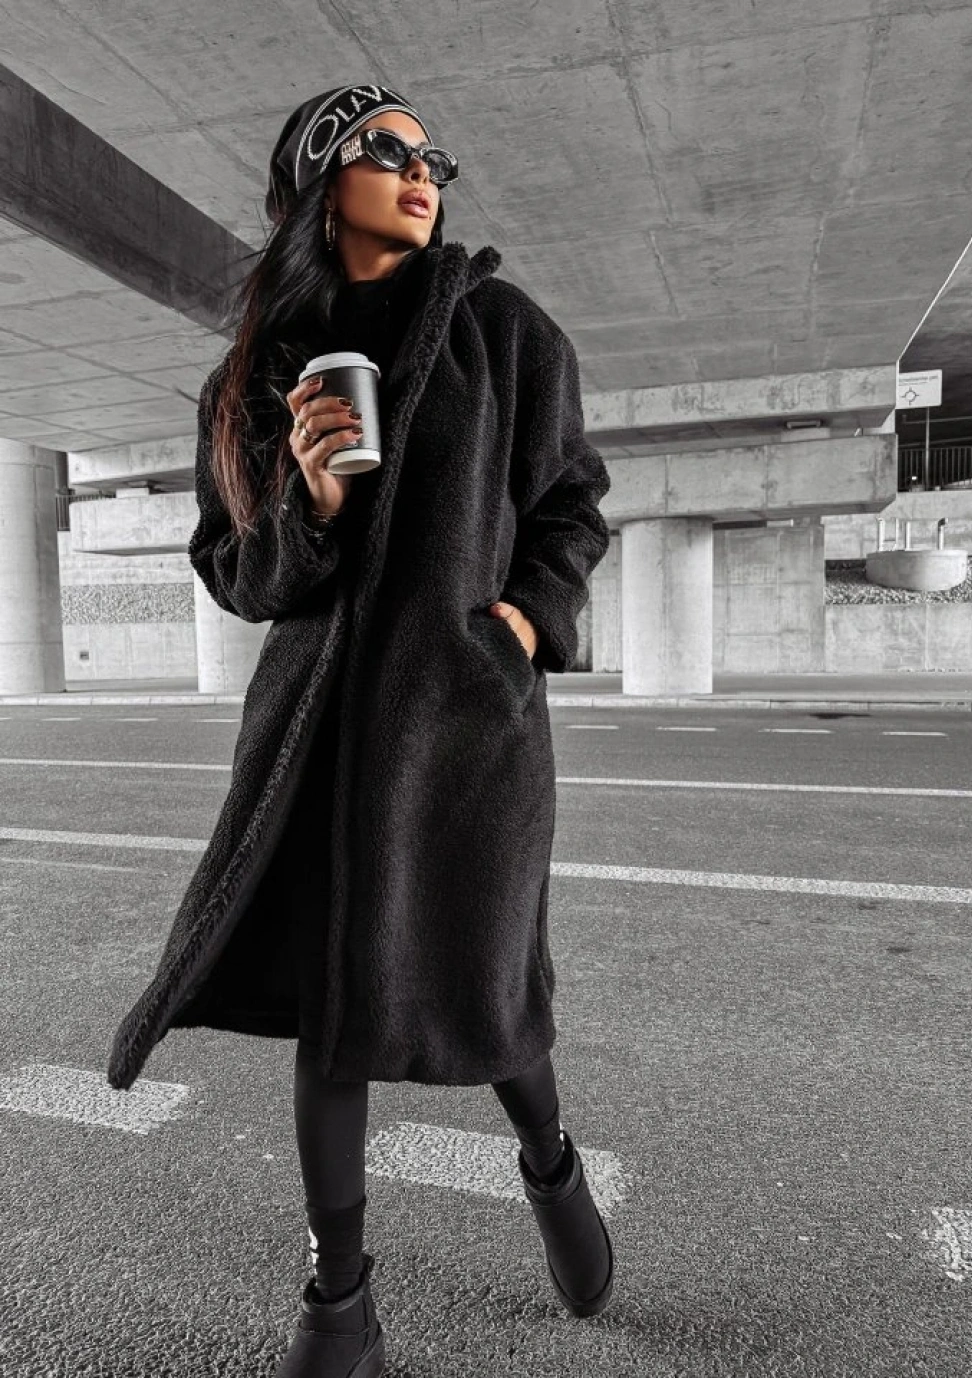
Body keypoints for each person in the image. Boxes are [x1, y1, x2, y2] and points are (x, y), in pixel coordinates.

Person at [105, 83, 614, 1377]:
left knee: (493, 997)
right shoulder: (254, 379)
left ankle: (550, 1165)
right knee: (333, 1015)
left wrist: (522, 625)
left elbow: (570, 503)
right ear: (317, 185)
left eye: (432, 154)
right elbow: (237, 573)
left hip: (468, 737)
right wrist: (313, 504)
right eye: (385, 150)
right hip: (321, 745)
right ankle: (340, 1300)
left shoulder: (505, 332)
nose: (421, 169)